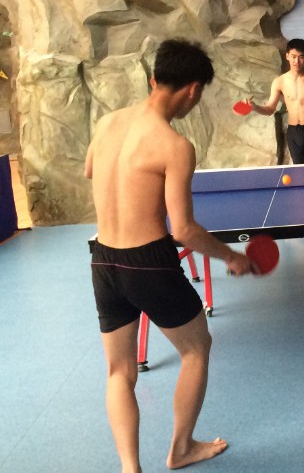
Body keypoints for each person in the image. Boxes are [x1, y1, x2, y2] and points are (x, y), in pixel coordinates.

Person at [85, 39, 257, 471]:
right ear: (194, 90)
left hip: (104, 259)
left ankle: (130, 467)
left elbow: (90, 169)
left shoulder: (108, 123)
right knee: (196, 349)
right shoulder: (175, 146)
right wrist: (231, 257)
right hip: (148, 263)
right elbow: (182, 230)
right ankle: (181, 449)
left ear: (153, 79)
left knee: (119, 372)